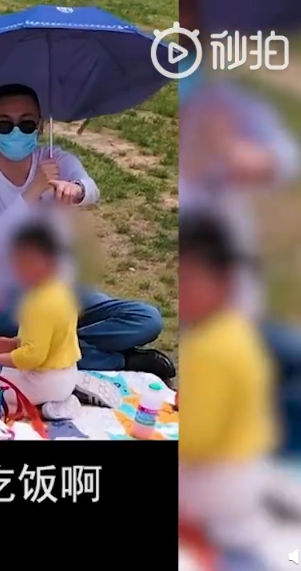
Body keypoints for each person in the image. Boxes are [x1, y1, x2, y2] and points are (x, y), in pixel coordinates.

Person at [0, 83, 175, 386]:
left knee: (147, 320)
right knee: (2, 328)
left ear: (40, 126)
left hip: (61, 291)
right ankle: (119, 360)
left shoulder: (54, 159)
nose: (16, 131)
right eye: (5, 124)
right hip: (5, 297)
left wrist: (76, 190)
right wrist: (34, 190)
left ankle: (49, 347)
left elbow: (91, 188)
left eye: (26, 123)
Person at [179, 0, 301, 455]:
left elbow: (284, 159)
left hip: (224, 286)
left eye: (193, 27)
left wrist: (240, 156)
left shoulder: (224, 105)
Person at [178, 213, 276, 570]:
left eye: (190, 282)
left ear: (224, 284)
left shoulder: (208, 346)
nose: (182, 293)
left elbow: (198, 438)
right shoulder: (238, 330)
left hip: (218, 479)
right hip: (248, 468)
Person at [0, 222, 82, 420]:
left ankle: (44, 409)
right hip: (68, 372)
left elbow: (33, 357)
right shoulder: (61, 290)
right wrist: (9, 343)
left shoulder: (37, 304)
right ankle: (64, 394)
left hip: (46, 381)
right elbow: (48, 341)